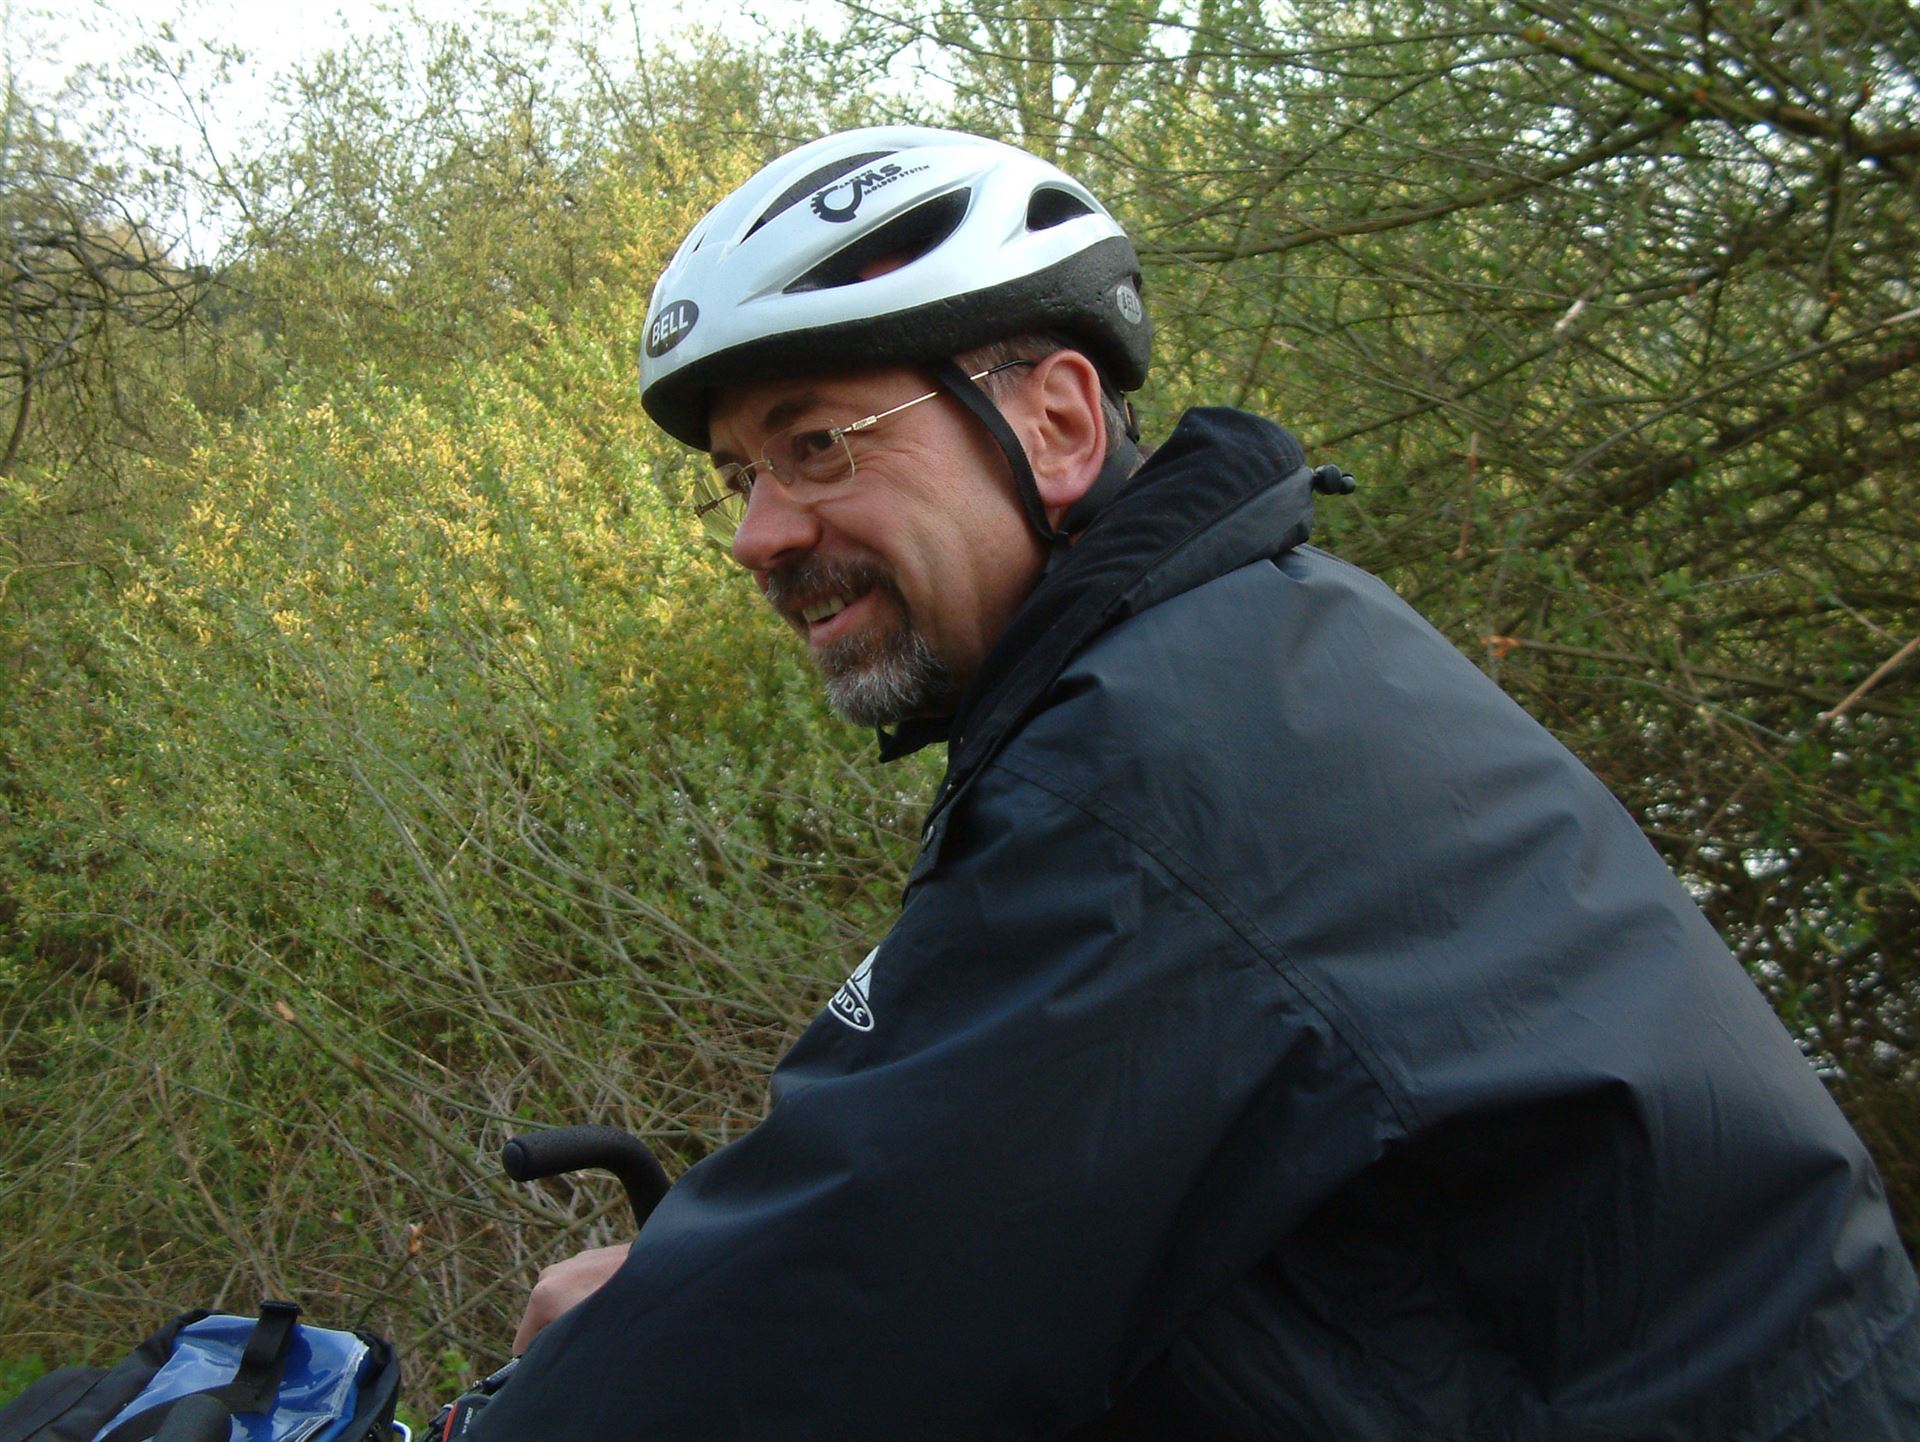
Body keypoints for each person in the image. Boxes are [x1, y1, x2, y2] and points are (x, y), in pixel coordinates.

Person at [473, 127, 1918, 1440]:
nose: (759, 534)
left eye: (816, 445)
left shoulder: (1157, 769)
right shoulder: (1250, 645)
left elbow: (864, 1271)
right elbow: (946, 1213)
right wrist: (699, 1280)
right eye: (740, 478)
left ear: (1056, 424)